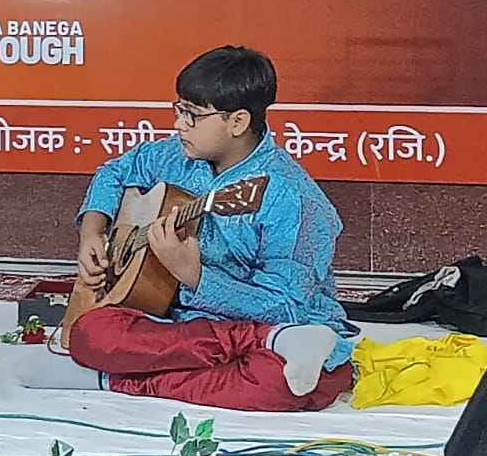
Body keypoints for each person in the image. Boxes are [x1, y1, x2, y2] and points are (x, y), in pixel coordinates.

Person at [22, 47, 356, 411]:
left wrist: (194, 276)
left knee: (280, 381)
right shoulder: (174, 155)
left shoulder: (293, 198)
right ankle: (252, 346)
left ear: (237, 122)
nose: (179, 124)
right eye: (179, 110)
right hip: (180, 327)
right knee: (92, 332)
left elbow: (288, 308)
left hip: (275, 328)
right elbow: (113, 172)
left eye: (192, 115)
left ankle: (113, 379)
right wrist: (92, 232)